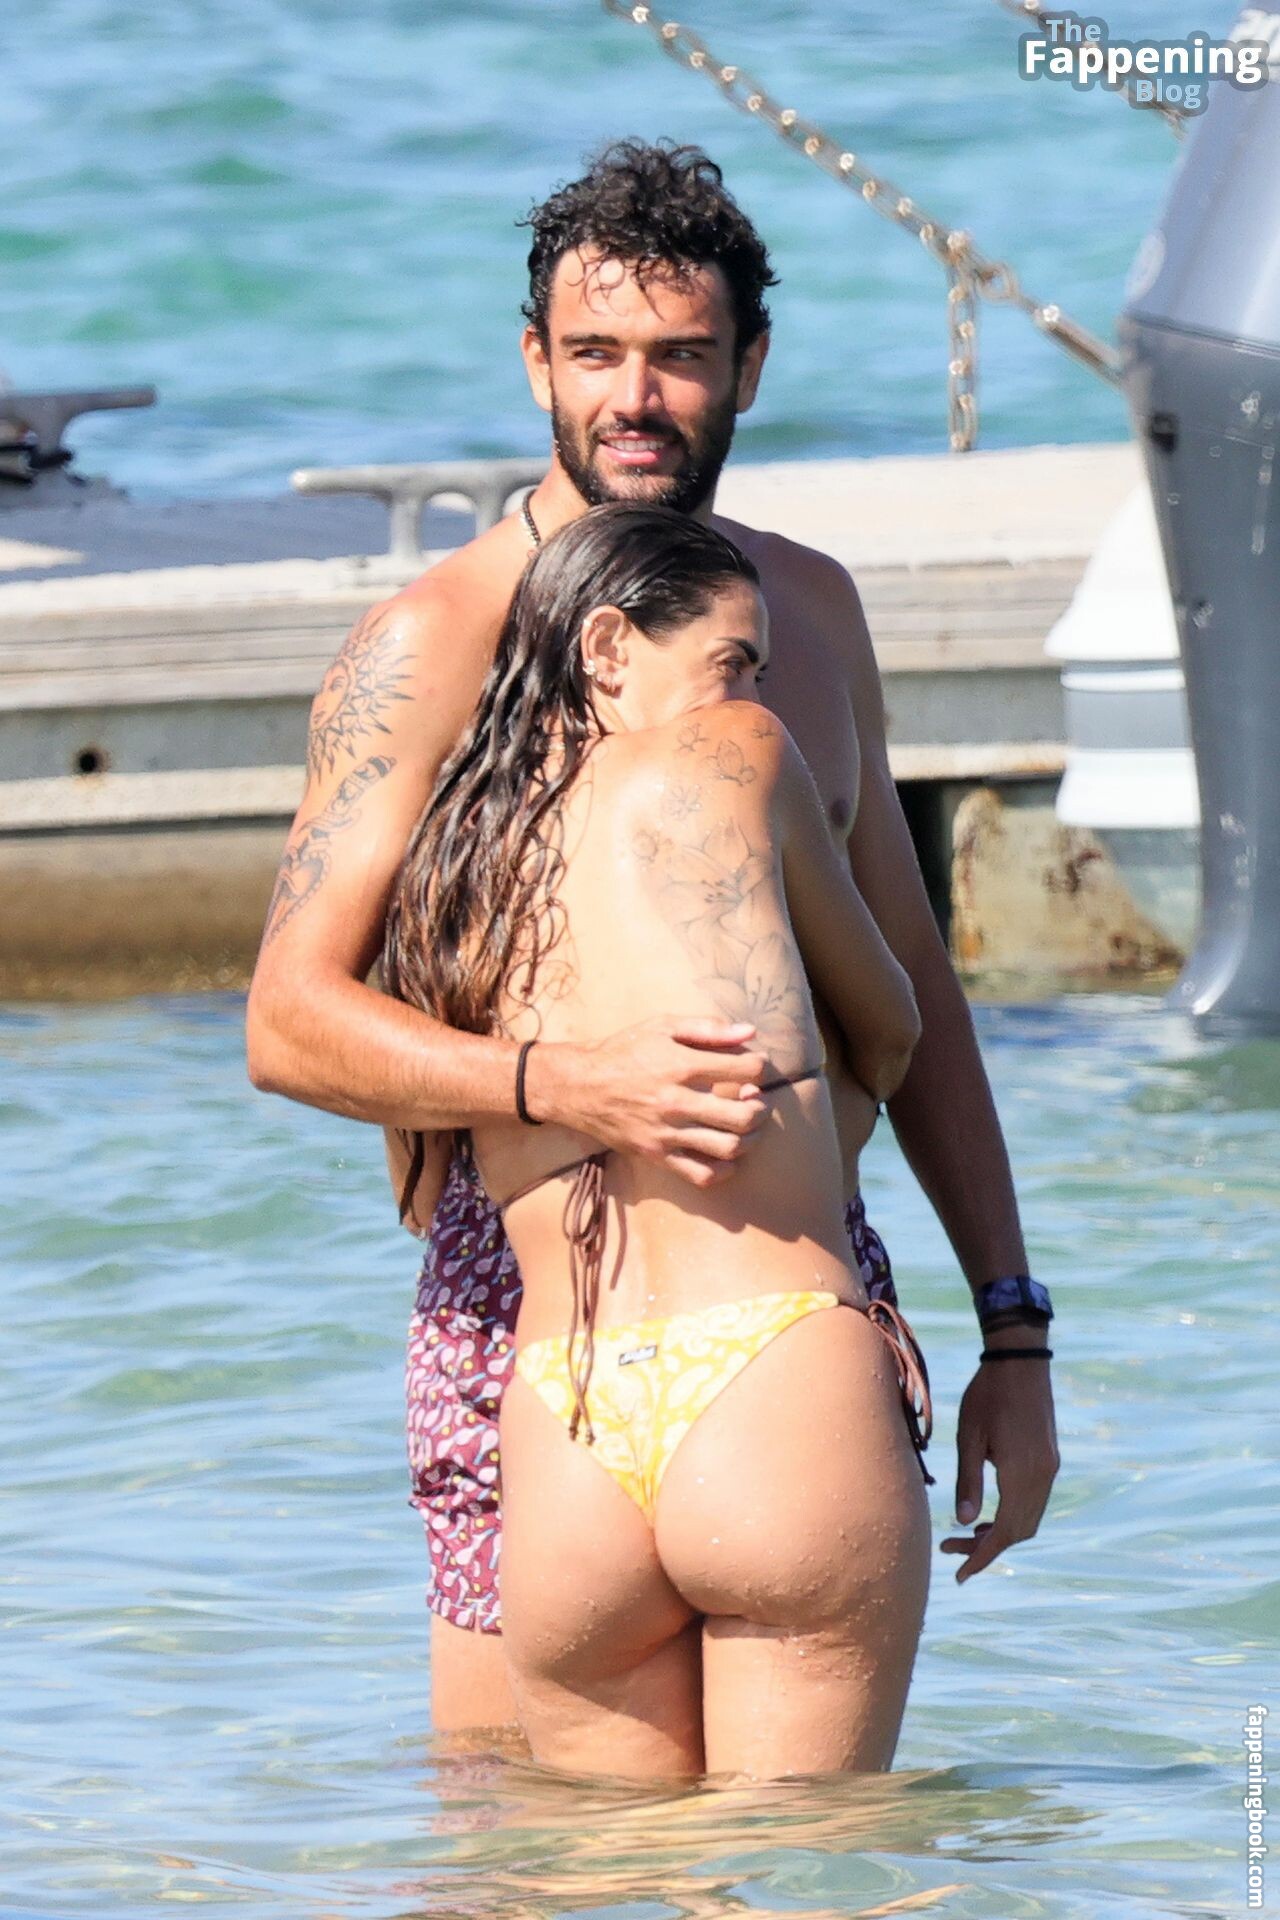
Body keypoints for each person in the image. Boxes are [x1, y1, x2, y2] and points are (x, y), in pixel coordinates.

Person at [245, 139, 1058, 1736]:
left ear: (749, 367)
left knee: (795, 1851)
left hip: (789, 1274)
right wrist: (558, 1080)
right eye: (596, 352)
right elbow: (286, 1021)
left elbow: (920, 990)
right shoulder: (430, 643)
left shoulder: (804, 619)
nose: (636, 397)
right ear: (535, 363)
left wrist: (1013, 1330)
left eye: (681, 355)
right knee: (517, 1843)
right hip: (517, 1305)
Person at [383, 500, 934, 1777]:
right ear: (607, 647)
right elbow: (894, 1022)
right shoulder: (738, 753)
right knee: (806, 1862)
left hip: (563, 1422)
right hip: (768, 1372)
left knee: (601, 1867)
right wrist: (823, 1128)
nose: (751, 693)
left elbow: (419, 1182)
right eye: (732, 660)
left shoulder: (453, 863)